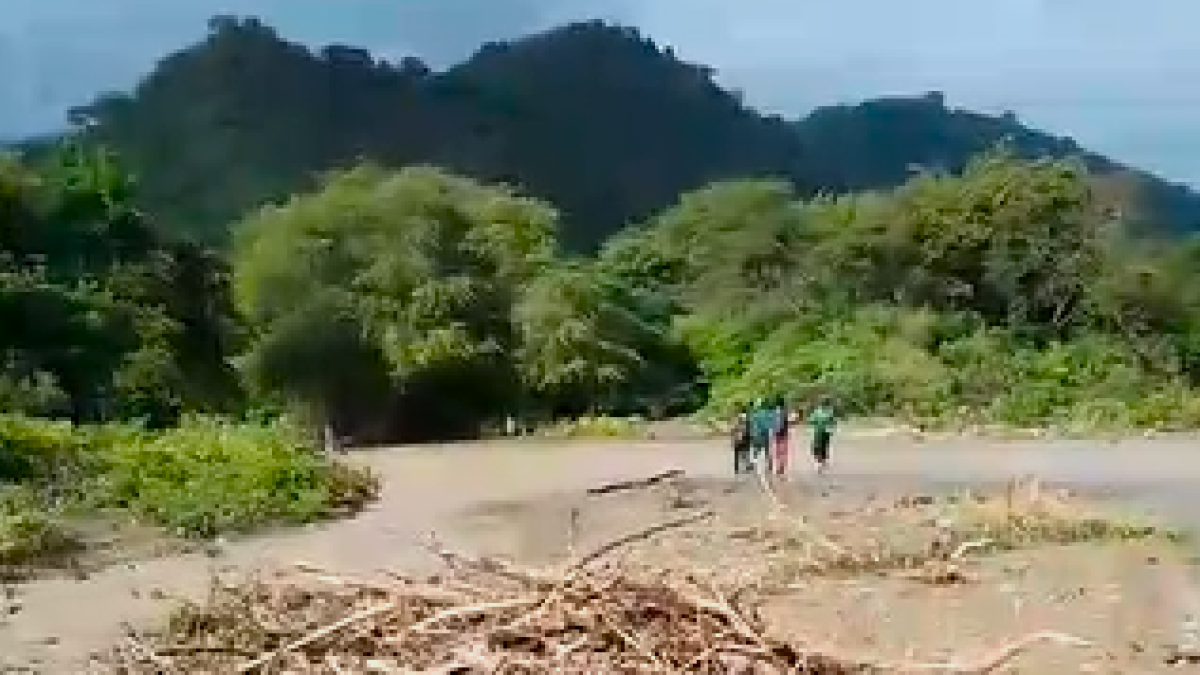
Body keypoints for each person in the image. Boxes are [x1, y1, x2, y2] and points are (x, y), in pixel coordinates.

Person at [807, 396, 838, 473]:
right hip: (825, 432)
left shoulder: (818, 411)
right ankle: (821, 462)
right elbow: (833, 422)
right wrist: (832, 429)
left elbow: (811, 421)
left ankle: (820, 463)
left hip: (819, 432)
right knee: (823, 447)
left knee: (817, 447)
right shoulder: (829, 411)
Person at [749, 397, 776, 474]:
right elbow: (769, 424)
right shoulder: (766, 413)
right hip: (764, 434)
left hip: (757, 434)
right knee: (766, 449)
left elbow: (752, 424)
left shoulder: (754, 414)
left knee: (757, 449)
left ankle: (753, 462)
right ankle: (769, 464)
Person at [770, 397, 791, 477]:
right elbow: (788, 422)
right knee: (784, 450)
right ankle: (782, 465)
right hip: (784, 433)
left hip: (777, 433)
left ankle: (779, 465)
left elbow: (772, 423)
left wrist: (773, 432)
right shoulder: (785, 411)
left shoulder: (774, 412)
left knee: (778, 450)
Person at [730, 408, 752, 475]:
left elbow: (733, 431)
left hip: (738, 439)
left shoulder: (737, 420)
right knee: (746, 453)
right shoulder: (748, 420)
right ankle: (747, 466)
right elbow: (749, 430)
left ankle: (736, 468)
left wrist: (733, 440)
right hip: (745, 439)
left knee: (737, 454)